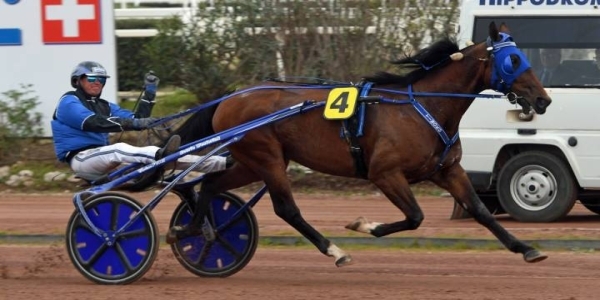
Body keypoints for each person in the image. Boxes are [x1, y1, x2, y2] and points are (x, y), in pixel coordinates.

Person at [51, 61, 228, 182]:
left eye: (101, 79)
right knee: (119, 149)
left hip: (102, 158)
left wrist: (149, 94)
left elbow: (135, 119)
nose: (97, 82)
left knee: (172, 160)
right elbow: (92, 122)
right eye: (91, 78)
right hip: (81, 160)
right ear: (78, 80)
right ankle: (160, 155)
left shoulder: (105, 105)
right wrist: (135, 124)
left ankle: (221, 163)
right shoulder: (68, 101)